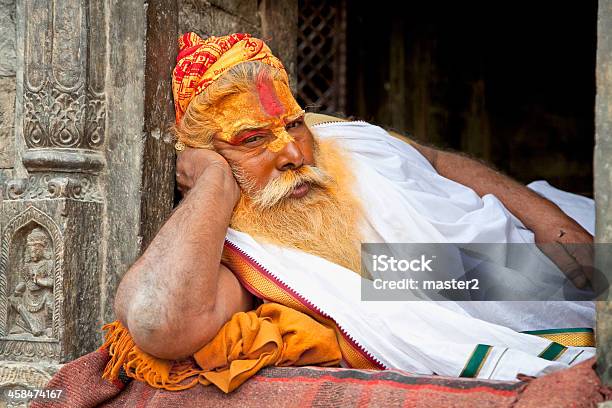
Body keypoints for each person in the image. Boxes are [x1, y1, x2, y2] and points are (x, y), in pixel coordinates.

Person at [105, 32, 595, 392]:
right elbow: (159, 322)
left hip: (529, 235)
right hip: (475, 278)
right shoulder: (246, 248)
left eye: (292, 125)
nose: (295, 155)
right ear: (205, 155)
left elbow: (440, 162)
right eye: (252, 140)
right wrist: (212, 182)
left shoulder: (341, 137)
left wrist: (555, 224)